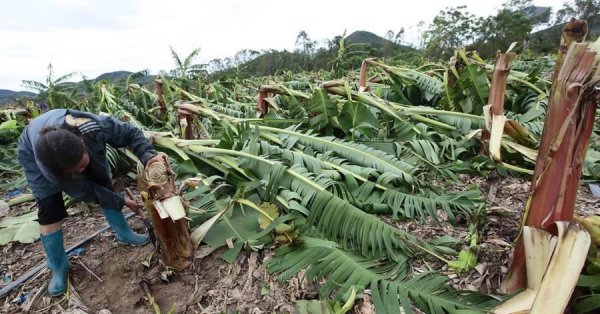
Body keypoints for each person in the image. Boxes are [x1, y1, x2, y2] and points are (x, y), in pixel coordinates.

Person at [17, 109, 162, 296]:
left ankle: (124, 234)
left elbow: (129, 132)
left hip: (69, 139)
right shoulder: (50, 168)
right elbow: (87, 191)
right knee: (50, 210)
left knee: (102, 179)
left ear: (82, 143)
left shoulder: (92, 127)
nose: (79, 172)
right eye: (73, 171)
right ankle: (59, 267)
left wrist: (149, 156)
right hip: (31, 148)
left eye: (81, 165)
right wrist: (122, 201)